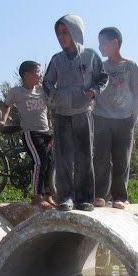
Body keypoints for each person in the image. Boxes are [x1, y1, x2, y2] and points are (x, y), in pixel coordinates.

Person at [43, 14, 108, 212]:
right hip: (62, 114)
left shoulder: (90, 56)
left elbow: (102, 78)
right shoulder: (57, 59)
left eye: (65, 32)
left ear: (75, 32)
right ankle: (65, 198)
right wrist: (54, 95)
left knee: (84, 156)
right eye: (58, 33)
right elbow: (47, 82)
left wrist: (92, 92)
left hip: (83, 112)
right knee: (63, 157)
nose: (61, 37)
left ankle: (84, 198)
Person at [92, 27, 138, 209]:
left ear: (115, 43)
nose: (100, 47)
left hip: (124, 118)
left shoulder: (130, 66)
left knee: (122, 159)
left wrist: (134, 117)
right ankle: (99, 194)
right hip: (101, 116)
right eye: (99, 44)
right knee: (100, 158)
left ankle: (119, 197)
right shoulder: (101, 67)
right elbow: (94, 90)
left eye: (103, 43)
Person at [0, 61, 55, 210]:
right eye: (37, 72)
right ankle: (37, 196)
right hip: (31, 133)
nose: (40, 75)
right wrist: (3, 119)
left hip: (46, 132)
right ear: (27, 75)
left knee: (50, 163)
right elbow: (6, 105)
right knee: (39, 162)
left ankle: (48, 194)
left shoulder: (42, 90)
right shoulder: (17, 91)